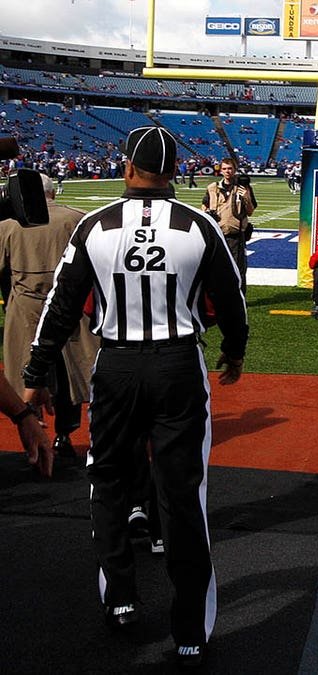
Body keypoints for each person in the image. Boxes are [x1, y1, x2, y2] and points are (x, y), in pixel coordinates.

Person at [22, 126, 248, 667]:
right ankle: (190, 630)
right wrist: (234, 353)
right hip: (177, 365)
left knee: (109, 481)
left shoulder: (95, 226)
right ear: (174, 174)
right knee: (182, 493)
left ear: (127, 167)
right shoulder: (199, 227)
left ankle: (121, 597)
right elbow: (231, 301)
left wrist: (35, 371)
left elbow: (60, 305)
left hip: (116, 365)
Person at [0, 173, 98, 462]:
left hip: (26, 308)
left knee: (27, 373)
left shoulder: (7, 224)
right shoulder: (78, 219)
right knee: (70, 377)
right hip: (70, 310)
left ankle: (32, 432)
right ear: (52, 192)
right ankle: (63, 435)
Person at [201, 157, 256, 288]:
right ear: (220, 171)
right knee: (215, 267)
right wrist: (207, 213)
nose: (227, 171)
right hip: (216, 234)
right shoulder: (212, 188)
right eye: (224, 169)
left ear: (235, 170)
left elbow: (250, 211)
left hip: (235, 235)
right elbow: (204, 205)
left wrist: (246, 197)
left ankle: (239, 298)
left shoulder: (243, 188)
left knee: (238, 269)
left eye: (230, 168)